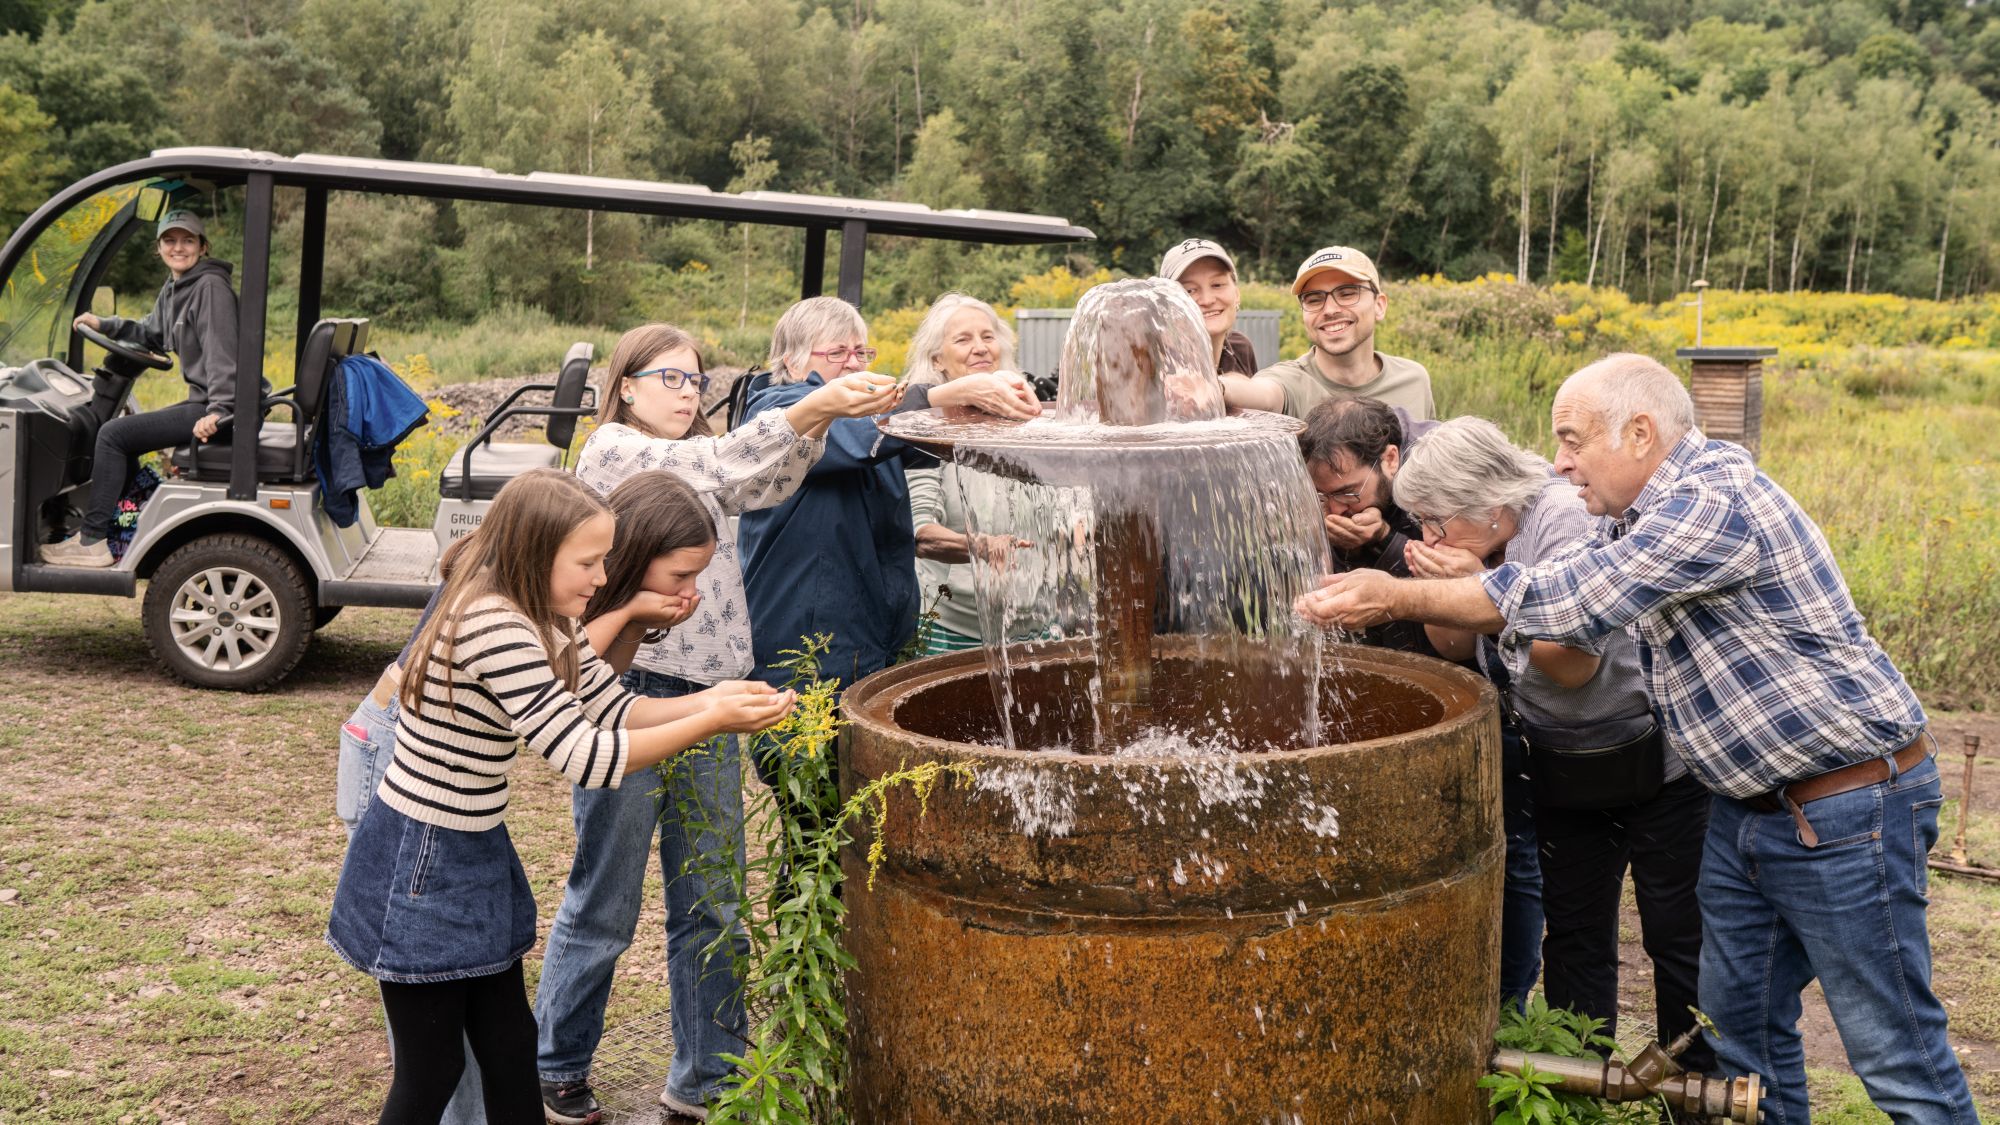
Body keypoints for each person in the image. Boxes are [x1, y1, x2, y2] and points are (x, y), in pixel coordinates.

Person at [1298, 354, 1975, 1124]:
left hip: (1848, 801)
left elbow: (1569, 599)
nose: (1556, 462)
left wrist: (1395, 589)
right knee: (1739, 1030)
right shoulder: (1628, 519)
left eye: (1571, 439)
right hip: (1749, 807)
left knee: (1894, 1051)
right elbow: (1555, 591)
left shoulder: (1711, 501)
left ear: (1641, 431)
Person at [325, 469, 795, 1125]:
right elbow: (585, 754)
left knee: (513, 1047)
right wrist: (712, 720)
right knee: (433, 1068)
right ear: (536, 551)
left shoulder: (546, 612)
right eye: (589, 561)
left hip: (470, 845)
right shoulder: (494, 623)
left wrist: (713, 697)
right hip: (421, 863)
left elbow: (608, 705)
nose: (603, 577)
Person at [537, 324, 893, 1125]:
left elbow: (768, 477)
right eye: (669, 376)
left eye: (698, 378)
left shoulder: (709, 459)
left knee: (715, 897)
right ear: (624, 384)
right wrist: (819, 403)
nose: (688, 390)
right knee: (608, 894)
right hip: (625, 688)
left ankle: (707, 1078)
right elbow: (717, 463)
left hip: (712, 693)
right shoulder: (613, 455)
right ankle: (556, 1065)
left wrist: (818, 421)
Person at [1390, 416, 1711, 1068]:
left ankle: (1697, 1086)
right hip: (1565, 765)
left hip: (1655, 761)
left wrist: (1482, 585)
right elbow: (1453, 647)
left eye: (1435, 521)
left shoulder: (1564, 519)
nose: (1427, 537)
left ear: (1490, 506)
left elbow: (1572, 665)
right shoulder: (1477, 542)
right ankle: (1583, 1082)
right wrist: (1445, 591)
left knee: (1676, 936)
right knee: (1575, 935)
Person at [737, 296, 1040, 692]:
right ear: (792, 362)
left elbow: (927, 440)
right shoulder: (778, 412)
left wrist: (988, 406)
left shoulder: (869, 419)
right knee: (800, 752)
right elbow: (853, 439)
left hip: (875, 640)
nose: (854, 362)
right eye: (838, 352)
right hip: (805, 649)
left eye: (861, 351)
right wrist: (942, 394)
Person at [44, 209, 269, 567]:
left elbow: (222, 354)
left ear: (203, 246)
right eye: (170, 240)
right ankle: (123, 524)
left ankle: (92, 541)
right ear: (159, 247)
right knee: (125, 440)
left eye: (188, 240)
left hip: (229, 408)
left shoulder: (210, 288)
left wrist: (220, 412)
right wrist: (105, 323)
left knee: (112, 435)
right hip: (212, 401)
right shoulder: (176, 286)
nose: (178, 247)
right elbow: (153, 332)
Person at [902, 293, 1029, 653]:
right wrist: (981, 547)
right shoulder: (923, 431)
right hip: (953, 630)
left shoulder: (1029, 425)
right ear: (937, 360)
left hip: (1037, 626)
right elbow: (919, 531)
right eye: (963, 339)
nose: (980, 348)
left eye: (988, 337)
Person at [1219, 246, 1433, 422]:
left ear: (1379, 306)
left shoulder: (1414, 380)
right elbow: (1262, 393)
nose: (1330, 310)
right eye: (1314, 299)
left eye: (1348, 293)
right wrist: (1217, 387)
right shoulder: (1291, 383)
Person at [1296, 397, 1437, 657]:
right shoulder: (1320, 487)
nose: (1336, 510)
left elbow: (1449, 591)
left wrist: (1384, 537)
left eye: (1347, 493)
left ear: (1390, 459)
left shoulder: (1436, 474)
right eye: (1322, 495)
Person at [1158, 238, 1257, 377]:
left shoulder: (1241, 349)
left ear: (1237, 294)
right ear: (1166, 306)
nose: (1207, 300)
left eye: (1217, 285)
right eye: (1190, 290)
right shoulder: (1154, 365)